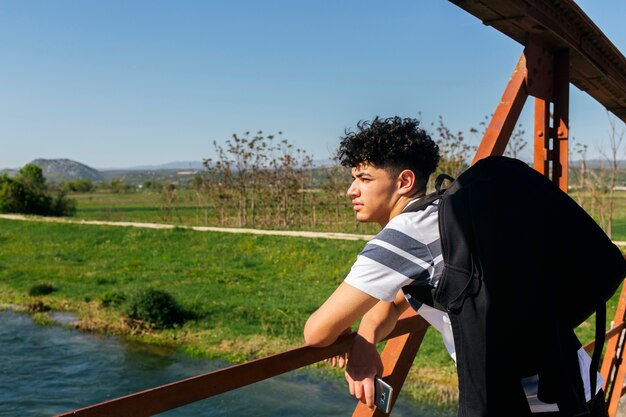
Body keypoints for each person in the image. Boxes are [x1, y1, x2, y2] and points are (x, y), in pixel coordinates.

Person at [303, 116, 605, 416]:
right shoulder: (446, 214)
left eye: (365, 179)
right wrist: (365, 338)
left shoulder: (403, 236)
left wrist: (350, 337)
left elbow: (317, 332)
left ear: (404, 181)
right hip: (576, 380)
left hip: (532, 402)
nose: (351, 190)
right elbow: (393, 301)